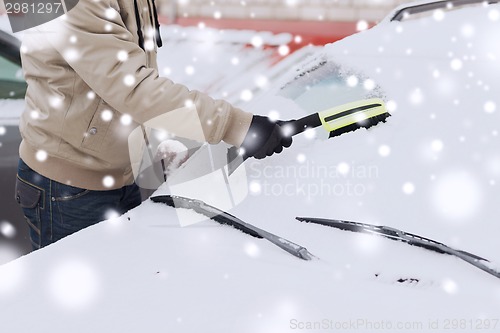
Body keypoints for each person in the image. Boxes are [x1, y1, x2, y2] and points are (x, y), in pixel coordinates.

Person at [14, 0, 291, 250]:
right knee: (83, 299)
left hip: (119, 172)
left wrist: (154, 141)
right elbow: (131, 87)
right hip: (68, 188)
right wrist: (234, 125)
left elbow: (120, 76)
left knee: (128, 293)